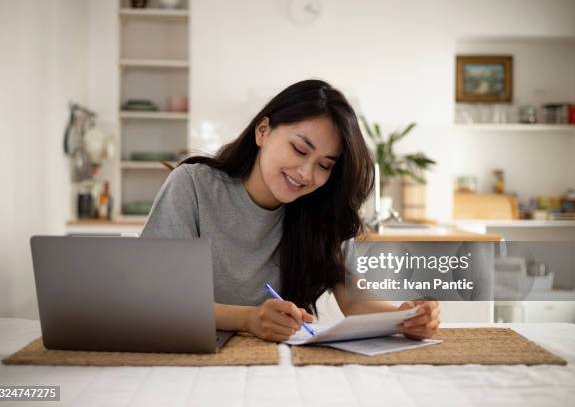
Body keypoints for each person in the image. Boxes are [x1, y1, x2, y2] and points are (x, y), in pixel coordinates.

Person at [141, 79, 440, 342]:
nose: (306, 174)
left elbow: (356, 301)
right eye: (299, 149)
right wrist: (248, 319)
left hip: (279, 365)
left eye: (324, 165)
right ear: (263, 131)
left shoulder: (321, 211)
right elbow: (158, 296)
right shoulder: (193, 186)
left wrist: (404, 317)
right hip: (193, 354)